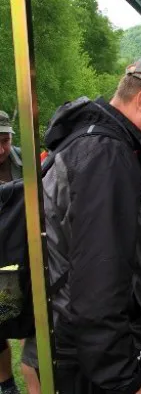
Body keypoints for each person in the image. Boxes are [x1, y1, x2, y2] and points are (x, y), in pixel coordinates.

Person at [31, 54, 141, 394]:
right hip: (88, 362)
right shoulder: (105, 155)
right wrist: (124, 381)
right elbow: (99, 281)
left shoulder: (98, 143)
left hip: (82, 351)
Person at [0, 110, 21, 394]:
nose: (1, 149)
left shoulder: (23, 159)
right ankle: (6, 382)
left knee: (26, 315)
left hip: (19, 253)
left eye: (5, 141)